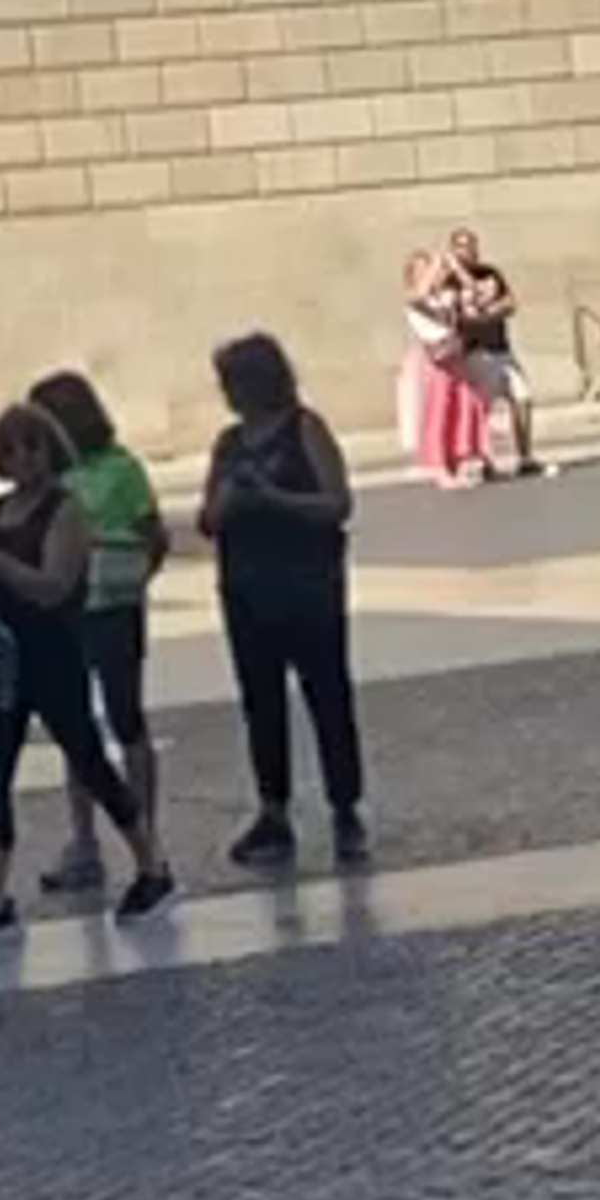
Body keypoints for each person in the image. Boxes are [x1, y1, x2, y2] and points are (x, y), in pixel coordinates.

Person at [0, 402, 169, 951]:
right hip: (3, 657)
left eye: (33, 445)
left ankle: (150, 862)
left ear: (50, 448)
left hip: (53, 653)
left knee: (88, 759)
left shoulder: (66, 511)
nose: (23, 457)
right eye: (12, 447)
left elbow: (52, 586)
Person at [201, 331, 366, 873]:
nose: (228, 393)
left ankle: (344, 805)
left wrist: (276, 499)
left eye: (235, 382)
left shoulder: (304, 428)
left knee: (327, 695)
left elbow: (337, 503)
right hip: (246, 588)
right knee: (260, 702)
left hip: (307, 586)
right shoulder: (228, 444)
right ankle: (273, 810)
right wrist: (226, 502)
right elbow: (206, 520)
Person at [26, 367, 164, 907]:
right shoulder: (49, 483)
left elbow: (151, 532)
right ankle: (83, 839)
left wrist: (129, 577)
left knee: (127, 717)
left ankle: (146, 832)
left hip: (113, 608)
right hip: (66, 611)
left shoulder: (121, 469)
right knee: (74, 725)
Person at [436, 228, 543, 480]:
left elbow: (509, 304)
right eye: (461, 246)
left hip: (501, 349)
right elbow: (452, 316)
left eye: (471, 245)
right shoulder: (447, 281)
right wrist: (473, 316)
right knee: (483, 410)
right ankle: (483, 460)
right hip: (475, 353)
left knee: (522, 398)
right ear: (452, 250)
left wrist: (486, 314)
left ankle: (525, 457)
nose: (467, 251)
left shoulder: (490, 273)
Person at [396, 249, 494, 487]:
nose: (432, 273)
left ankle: (463, 458)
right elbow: (420, 295)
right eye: (422, 269)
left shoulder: (446, 296)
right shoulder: (417, 300)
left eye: (430, 268)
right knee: (439, 411)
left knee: (466, 407)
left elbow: (475, 291)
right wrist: (434, 268)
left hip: (455, 355)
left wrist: (455, 268)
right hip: (434, 361)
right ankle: (439, 466)